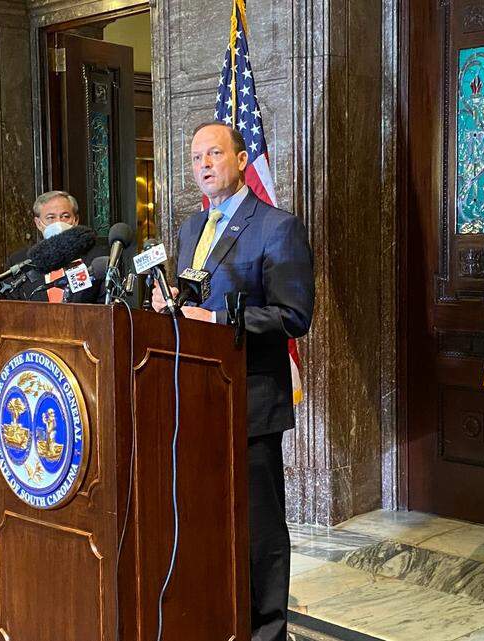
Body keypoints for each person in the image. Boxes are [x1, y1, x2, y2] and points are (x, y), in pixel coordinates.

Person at [152, 122, 314, 641]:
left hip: (251, 400)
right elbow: (191, 305)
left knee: (259, 525)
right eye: (196, 155)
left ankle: (269, 630)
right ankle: (221, 616)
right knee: (206, 517)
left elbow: (294, 315)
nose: (203, 164)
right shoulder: (188, 230)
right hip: (194, 400)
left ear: (242, 160)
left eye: (215, 153)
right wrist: (169, 310)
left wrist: (220, 320)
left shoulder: (276, 226)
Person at [3, 190, 105, 303]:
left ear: (76, 220)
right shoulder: (19, 261)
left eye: (65, 216)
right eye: (51, 218)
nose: (59, 222)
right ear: (38, 223)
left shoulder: (96, 258)